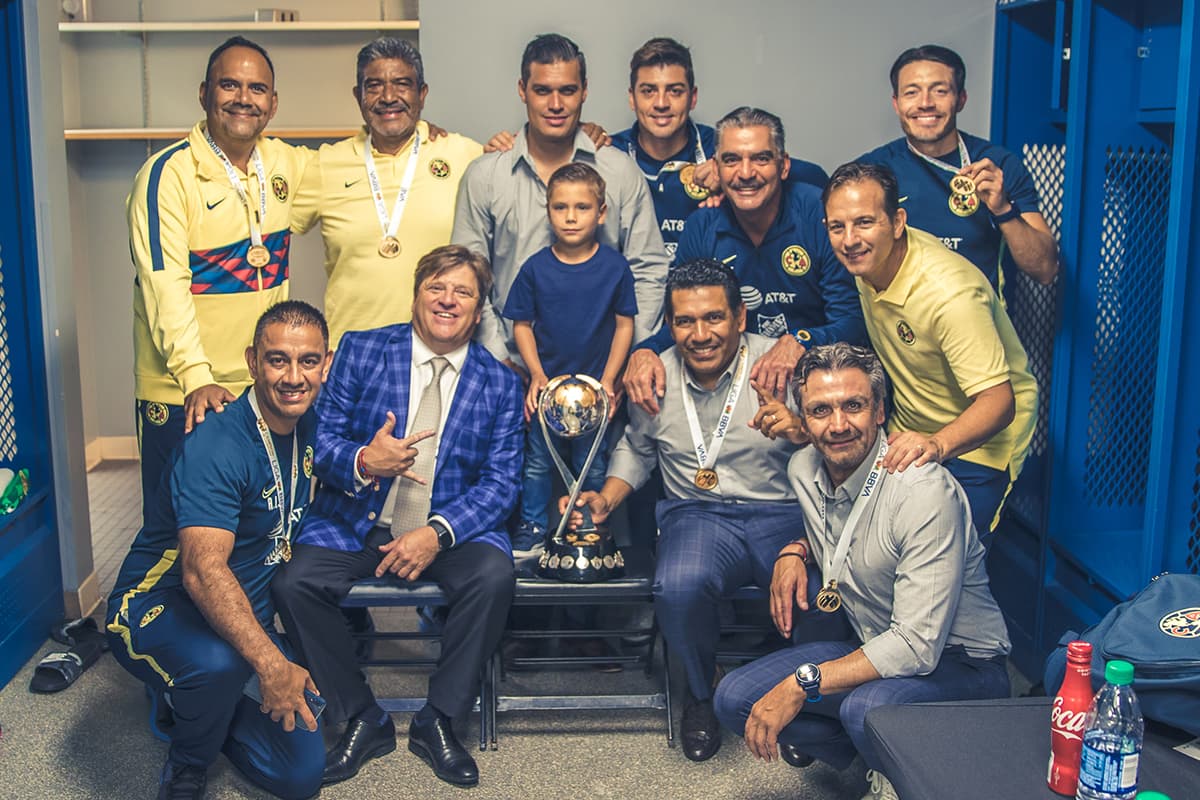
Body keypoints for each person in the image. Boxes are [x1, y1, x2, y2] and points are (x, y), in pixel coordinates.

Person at [713, 343, 1012, 800]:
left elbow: (916, 647)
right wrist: (795, 551)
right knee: (736, 697)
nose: (837, 425)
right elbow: (841, 534)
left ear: (879, 412)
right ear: (804, 421)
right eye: (820, 410)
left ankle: (906, 773)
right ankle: (875, 759)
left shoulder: (921, 491)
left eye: (853, 406)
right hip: (874, 643)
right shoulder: (803, 469)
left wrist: (802, 683)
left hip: (961, 662)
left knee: (865, 707)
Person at [272, 245, 523, 789]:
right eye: (436, 286)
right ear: (416, 295)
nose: (447, 300)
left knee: (494, 576)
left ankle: (440, 720)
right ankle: (363, 716)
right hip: (357, 517)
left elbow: (502, 483)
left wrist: (437, 533)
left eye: (463, 292)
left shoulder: (500, 382)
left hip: (450, 527)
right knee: (294, 582)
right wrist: (364, 459)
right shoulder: (363, 351)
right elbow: (320, 437)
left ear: (478, 310)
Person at [560, 259, 807, 763]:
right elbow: (637, 448)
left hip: (782, 513)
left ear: (741, 317)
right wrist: (607, 497)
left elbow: (840, 443)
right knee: (677, 586)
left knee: (820, 588)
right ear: (669, 325)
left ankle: (805, 702)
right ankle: (701, 692)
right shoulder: (652, 374)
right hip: (697, 514)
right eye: (685, 321)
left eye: (714, 318)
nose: (700, 334)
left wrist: (799, 430)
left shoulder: (782, 369)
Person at [106, 301, 332, 800]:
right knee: (219, 667)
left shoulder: (310, 424)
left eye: (308, 361)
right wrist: (271, 666)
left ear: (325, 364)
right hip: (158, 605)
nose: (294, 377)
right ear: (252, 362)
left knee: (299, 778)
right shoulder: (217, 444)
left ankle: (196, 699)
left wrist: (367, 462)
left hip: (237, 615)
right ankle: (187, 762)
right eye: (277, 360)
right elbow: (202, 573)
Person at [129, 36, 311, 519]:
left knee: (255, 526)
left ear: (273, 103)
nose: (243, 98)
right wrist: (195, 377)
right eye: (229, 84)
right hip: (186, 393)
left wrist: (424, 133)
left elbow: (362, 165)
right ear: (205, 93)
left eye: (257, 88)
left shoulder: (286, 165)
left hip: (260, 385)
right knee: (181, 531)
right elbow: (163, 284)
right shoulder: (166, 175)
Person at [822, 161, 1036, 543]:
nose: (850, 239)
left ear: (898, 221)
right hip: (909, 432)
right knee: (867, 541)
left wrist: (937, 444)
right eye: (838, 227)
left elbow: (1000, 402)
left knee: (943, 555)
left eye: (865, 223)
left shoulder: (948, 293)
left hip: (979, 443)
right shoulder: (868, 261)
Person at [624, 107, 866, 411]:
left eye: (761, 158)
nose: (746, 173)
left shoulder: (818, 215)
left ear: (784, 165)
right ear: (716, 168)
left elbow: (854, 321)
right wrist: (645, 351)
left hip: (818, 382)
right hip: (733, 384)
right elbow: (681, 317)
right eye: (731, 160)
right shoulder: (702, 226)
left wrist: (801, 340)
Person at [451, 33, 668, 366]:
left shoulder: (619, 172)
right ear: (523, 90)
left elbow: (648, 270)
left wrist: (633, 356)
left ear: (584, 91)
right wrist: (499, 362)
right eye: (542, 91)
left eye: (567, 90)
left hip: (605, 376)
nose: (555, 105)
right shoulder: (485, 176)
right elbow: (468, 276)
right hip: (510, 369)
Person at [291, 38, 483, 349]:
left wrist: (583, 133)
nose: (389, 97)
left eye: (402, 84)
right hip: (351, 353)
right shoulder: (325, 164)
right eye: (375, 85)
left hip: (441, 352)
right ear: (358, 96)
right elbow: (267, 221)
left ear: (421, 94)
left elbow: (530, 166)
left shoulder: (463, 155)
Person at [503, 162, 637, 555]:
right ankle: (531, 527)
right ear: (548, 212)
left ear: (601, 213)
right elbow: (522, 325)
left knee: (593, 465)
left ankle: (589, 525)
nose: (571, 216)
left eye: (581, 207)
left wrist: (610, 381)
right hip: (549, 395)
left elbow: (624, 326)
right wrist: (537, 376)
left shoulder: (615, 267)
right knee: (538, 464)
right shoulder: (535, 268)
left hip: (595, 393)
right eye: (561, 207)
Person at [859, 44, 1058, 292]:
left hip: (978, 321)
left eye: (940, 91)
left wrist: (1003, 210)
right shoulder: (871, 171)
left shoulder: (998, 165)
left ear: (961, 99)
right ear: (896, 103)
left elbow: (1045, 270)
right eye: (911, 93)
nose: (925, 103)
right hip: (899, 322)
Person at [608, 37, 828, 260]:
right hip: (635, 289)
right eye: (648, 91)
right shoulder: (609, 154)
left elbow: (811, 177)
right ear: (632, 98)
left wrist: (729, 177)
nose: (661, 103)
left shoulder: (724, 149)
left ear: (692, 98)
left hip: (705, 286)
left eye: (675, 91)